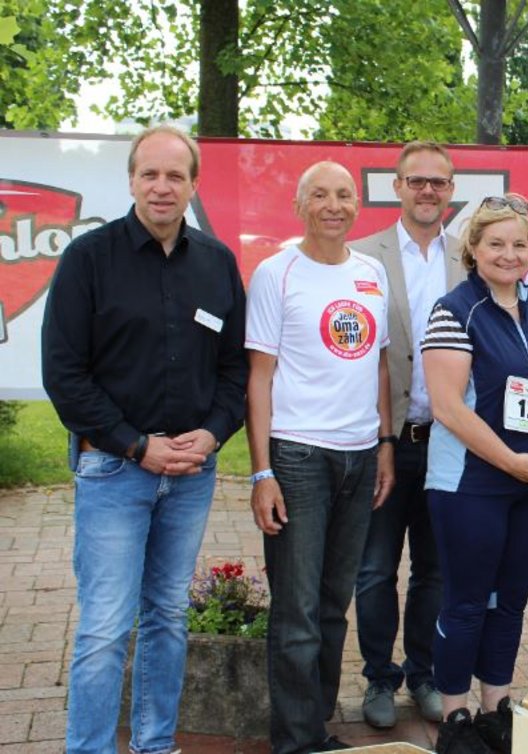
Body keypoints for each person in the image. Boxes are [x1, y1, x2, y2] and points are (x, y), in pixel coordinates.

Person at [41, 124, 248, 754]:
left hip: (190, 475)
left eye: (175, 175)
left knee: (168, 618)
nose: (162, 187)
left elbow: (235, 370)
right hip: (113, 472)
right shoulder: (89, 258)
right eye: (150, 174)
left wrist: (213, 435)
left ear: (193, 184)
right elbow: (64, 374)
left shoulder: (216, 263)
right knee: (105, 628)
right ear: (131, 179)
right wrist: (138, 446)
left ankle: (156, 745)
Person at [245, 161, 395, 754]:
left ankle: (318, 728)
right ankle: (296, 742)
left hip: (361, 457)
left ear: (356, 205)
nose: (334, 205)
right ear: (300, 204)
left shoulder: (371, 273)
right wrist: (263, 472)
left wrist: (384, 443)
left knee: (334, 604)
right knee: (298, 609)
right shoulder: (276, 273)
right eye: (321, 195)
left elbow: (379, 363)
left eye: (344, 195)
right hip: (299, 456)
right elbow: (259, 378)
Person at [421, 194, 528, 754]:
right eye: (496, 244)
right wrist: (511, 461)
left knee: (510, 601)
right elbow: (448, 407)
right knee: (466, 602)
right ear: (474, 249)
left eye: (519, 244)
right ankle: (454, 717)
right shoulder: (454, 309)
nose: (509, 254)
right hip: (470, 484)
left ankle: (496, 707)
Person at [350, 141, 464, 727]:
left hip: (447, 441)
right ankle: (377, 677)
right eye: (416, 180)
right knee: (373, 570)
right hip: (384, 441)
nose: (427, 190)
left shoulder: (468, 257)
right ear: (396, 186)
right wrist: (379, 439)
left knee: (435, 571)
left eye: (438, 182)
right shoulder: (361, 257)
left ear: (450, 190)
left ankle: (423, 674)